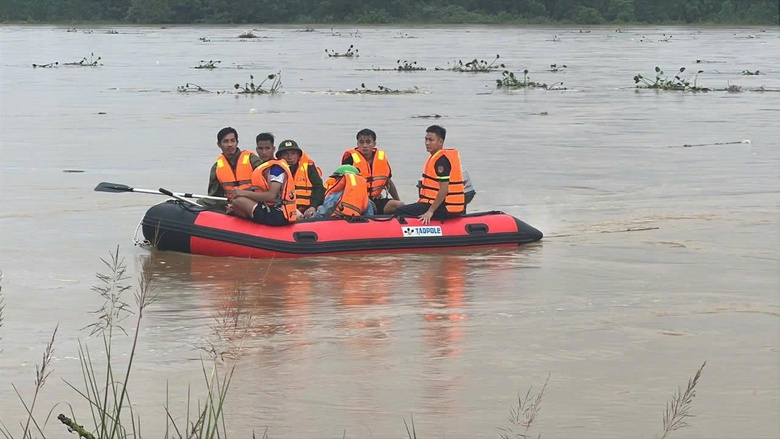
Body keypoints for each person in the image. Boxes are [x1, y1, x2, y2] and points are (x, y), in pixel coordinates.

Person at [394, 125, 465, 224]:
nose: (427, 143)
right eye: (426, 140)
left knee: (399, 211)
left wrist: (430, 211)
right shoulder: (436, 157)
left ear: (440, 142)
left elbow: (444, 189)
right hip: (435, 204)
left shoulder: (441, 161)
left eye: (431, 140)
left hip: (442, 207)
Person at [336, 129, 403, 214]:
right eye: (361, 142)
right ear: (357, 144)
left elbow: (388, 181)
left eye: (368, 142)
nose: (364, 145)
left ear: (374, 144)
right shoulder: (350, 159)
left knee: (399, 205)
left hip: (377, 200)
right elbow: (341, 184)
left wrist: (397, 199)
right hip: (357, 202)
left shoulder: (381, 159)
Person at [229, 157, 299, 226]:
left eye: (267, 148)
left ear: (273, 149)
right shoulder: (266, 168)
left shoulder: (277, 169)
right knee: (237, 204)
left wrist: (243, 193)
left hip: (279, 214)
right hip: (275, 209)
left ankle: (249, 224)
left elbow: (271, 196)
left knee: (238, 201)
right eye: (261, 149)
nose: (264, 152)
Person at [208, 127, 263, 200]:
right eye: (225, 141)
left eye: (233, 141)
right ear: (219, 144)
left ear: (237, 142)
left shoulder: (251, 159)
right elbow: (214, 196)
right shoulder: (216, 168)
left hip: (254, 201)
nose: (230, 144)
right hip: (230, 204)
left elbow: (266, 184)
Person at [275, 139, 325, 218]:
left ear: (298, 155)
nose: (290, 157)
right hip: (286, 209)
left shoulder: (309, 167)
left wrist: (313, 207)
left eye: (293, 153)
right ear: (280, 156)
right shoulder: (276, 170)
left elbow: (319, 188)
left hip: (308, 209)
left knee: (321, 209)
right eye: (286, 154)